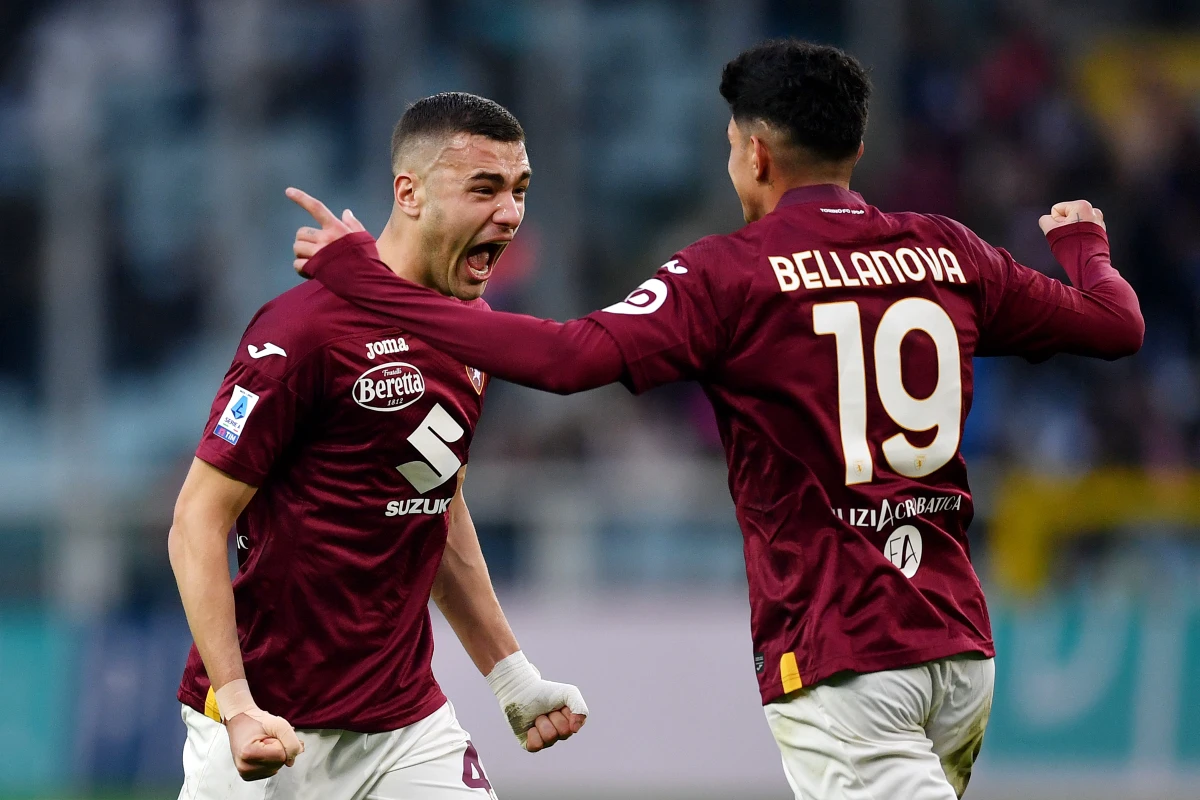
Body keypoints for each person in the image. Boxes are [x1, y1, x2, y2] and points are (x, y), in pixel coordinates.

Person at [287, 40, 1143, 800]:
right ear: (853, 148)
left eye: (733, 146)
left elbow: (566, 360)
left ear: (755, 153)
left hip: (846, 651)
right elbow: (1116, 325)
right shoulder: (946, 249)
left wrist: (372, 285)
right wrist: (1086, 250)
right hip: (959, 648)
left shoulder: (732, 275)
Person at [170, 92, 587, 800]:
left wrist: (510, 674)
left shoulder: (472, 334)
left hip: (406, 727)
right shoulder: (303, 331)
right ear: (409, 193)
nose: (509, 213)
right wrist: (238, 706)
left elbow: (434, 500)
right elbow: (196, 520)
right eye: (483, 188)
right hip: (270, 725)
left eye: (519, 190)